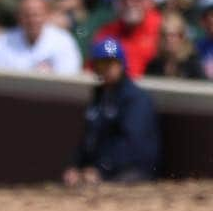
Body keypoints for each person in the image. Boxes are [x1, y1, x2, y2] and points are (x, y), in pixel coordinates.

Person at [63, 37, 160, 186]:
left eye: (112, 63)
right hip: (100, 169)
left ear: (122, 65)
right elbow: (89, 138)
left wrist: (102, 168)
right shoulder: (99, 96)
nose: (106, 69)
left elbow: (132, 143)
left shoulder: (135, 98)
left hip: (133, 171)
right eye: (101, 64)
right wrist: (76, 167)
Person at [0, 0, 82, 75]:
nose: (32, 20)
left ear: (47, 16)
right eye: (27, 15)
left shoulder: (63, 42)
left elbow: (69, 79)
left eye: (36, 15)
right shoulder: (3, 41)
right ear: (19, 17)